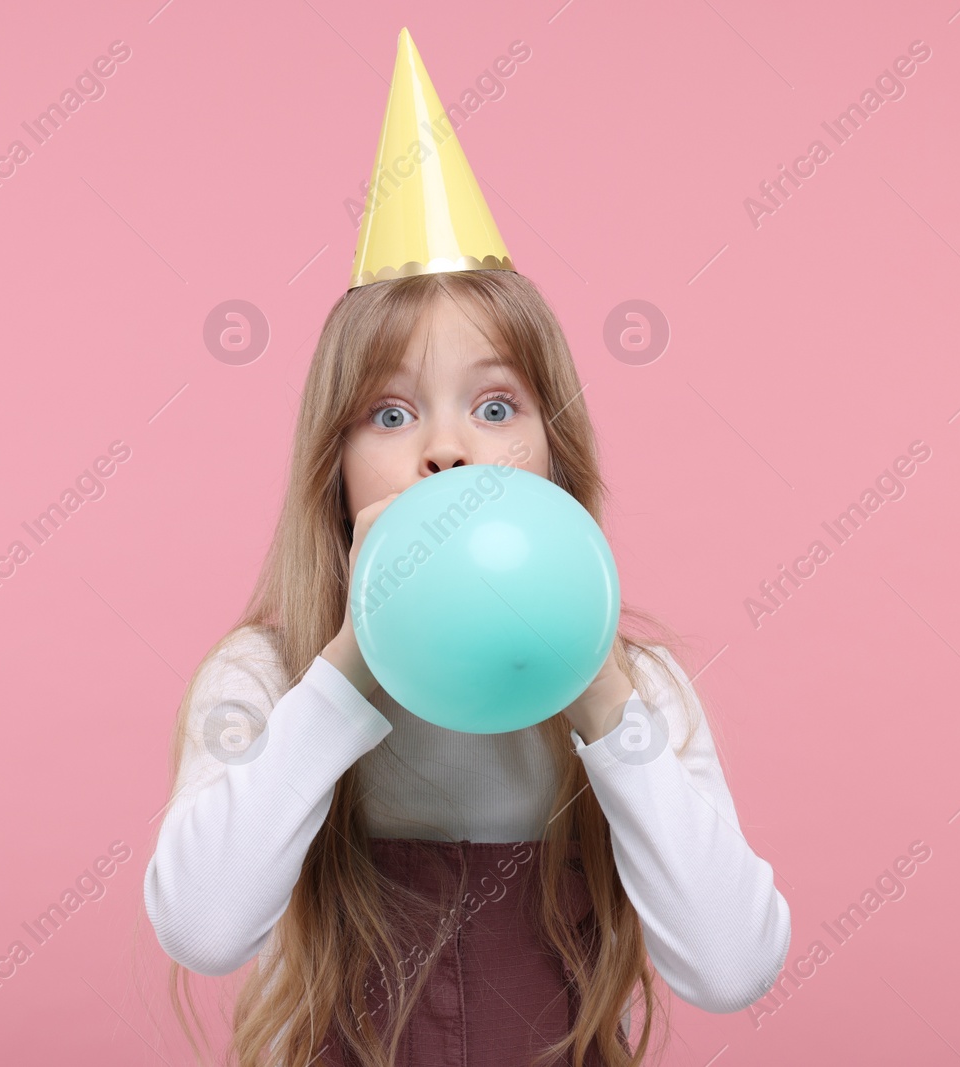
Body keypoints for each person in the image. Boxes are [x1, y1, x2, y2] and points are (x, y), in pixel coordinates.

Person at [143, 27, 790, 1067]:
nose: (445, 447)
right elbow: (204, 929)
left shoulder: (637, 692)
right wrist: (349, 666)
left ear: (552, 455)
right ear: (335, 466)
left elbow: (732, 965)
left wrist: (602, 698)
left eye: (494, 405)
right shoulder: (268, 677)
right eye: (390, 415)